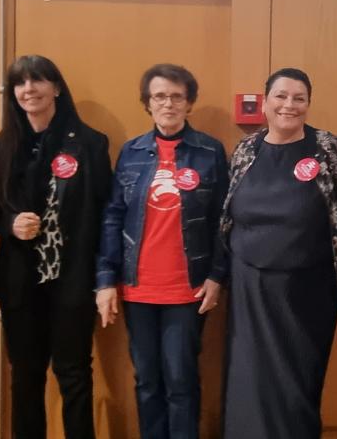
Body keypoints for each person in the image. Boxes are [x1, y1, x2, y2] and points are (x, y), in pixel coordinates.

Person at [220, 67, 337, 439]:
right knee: (247, 383)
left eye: (299, 98)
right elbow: (228, 214)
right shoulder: (245, 151)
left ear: (308, 104)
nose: (289, 105)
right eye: (281, 96)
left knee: (296, 386)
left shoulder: (333, 150)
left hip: (307, 292)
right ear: (266, 101)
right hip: (248, 286)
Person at [95, 63, 228, 439]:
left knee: (181, 380)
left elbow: (224, 219)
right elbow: (113, 217)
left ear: (189, 104)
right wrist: (106, 279)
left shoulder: (209, 152)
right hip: (137, 287)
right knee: (147, 380)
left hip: (188, 288)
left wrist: (217, 276)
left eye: (176, 97)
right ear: (147, 104)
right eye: (159, 96)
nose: (168, 104)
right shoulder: (132, 152)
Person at [0, 55, 112, 439]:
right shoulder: (4, 143)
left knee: (74, 375)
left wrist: (105, 275)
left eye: (38, 80)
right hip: (19, 281)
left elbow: (105, 211)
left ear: (56, 87)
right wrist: (10, 225)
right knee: (25, 377)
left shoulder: (90, 142)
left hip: (71, 278)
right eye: (20, 83)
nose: (29, 90)